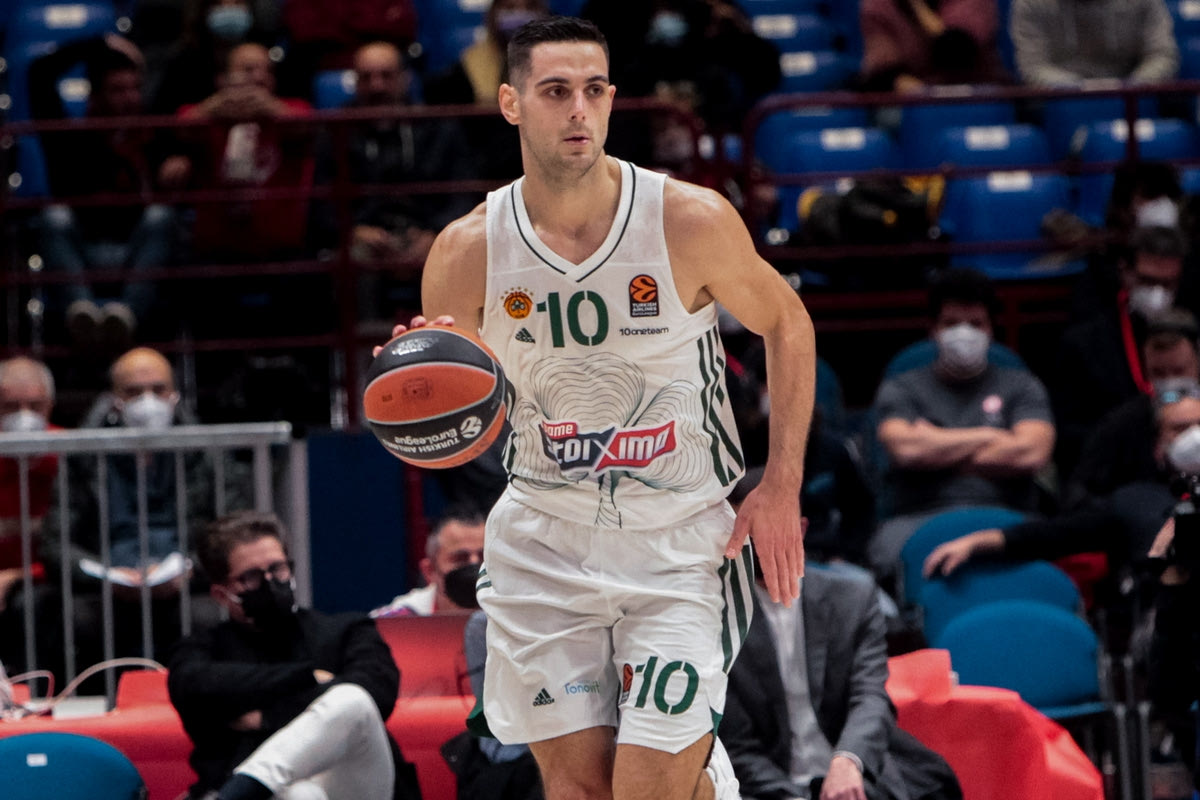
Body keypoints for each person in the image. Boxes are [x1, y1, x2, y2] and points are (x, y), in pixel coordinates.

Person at [380, 16, 815, 800]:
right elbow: (456, 412)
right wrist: (423, 381)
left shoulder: (687, 219)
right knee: (580, 791)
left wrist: (780, 484)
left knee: (647, 791)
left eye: (593, 90)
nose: (578, 109)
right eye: (555, 91)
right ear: (511, 103)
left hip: (678, 540)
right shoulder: (467, 251)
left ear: (612, 100)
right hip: (545, 541)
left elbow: (787, 323)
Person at [168, 510, 418, 800]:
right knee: (301, 794)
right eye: (252, 577)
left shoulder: (347, 630)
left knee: (352, 698)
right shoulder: (203, 649)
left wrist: (266, 717)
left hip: (354, 785)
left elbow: (376, 693)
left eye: (278, 568)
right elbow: (194, 686)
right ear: (222, 595)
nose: (271, 582)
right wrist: (307, 677)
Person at [869, 267, 1055, 581]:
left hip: (1009, 517)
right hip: (916, 519)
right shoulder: (902, 387)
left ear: (991, 330)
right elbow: (907, 451)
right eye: (952, 324)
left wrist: (936, 445)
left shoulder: (1023, 386)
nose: (964, 333)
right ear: (933, 329)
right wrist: (992, 436)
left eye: (976, 324)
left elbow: (1032, 453)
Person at [723, 562, 962, 800]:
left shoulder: (852, 597)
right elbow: (736, 744)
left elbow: (871, 698)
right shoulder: (718, 615)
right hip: (764, 785)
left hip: (853, 769)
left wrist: (848, 758)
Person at [310, 41, 479, 318]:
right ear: (355, 83)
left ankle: (448, 340)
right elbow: (321, 202)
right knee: (353, 261)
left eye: (386, 76)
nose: (377, 86)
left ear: (405, 78)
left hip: (429, 234)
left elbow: (462, 192)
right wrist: (353, 230)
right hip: (366, 239)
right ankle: (364, 345)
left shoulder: (439, 126)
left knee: (453, 257)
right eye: (367, 78)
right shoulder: (335, 132)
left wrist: (438, 233)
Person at [29, 34, 177, 346]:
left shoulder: (153, 136)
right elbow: (39, 73)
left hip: (136, 251)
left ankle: (125, 316)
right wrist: (99, 42)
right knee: (53, 217)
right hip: (82, 251)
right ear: (95, 95)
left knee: (162, 216)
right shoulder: (67, 140)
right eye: (118, 90)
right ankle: (80, 313)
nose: (130, 98)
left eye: (135, 88)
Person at [162, 42, 315, 263]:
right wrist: (218, 104)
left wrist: (270, 108)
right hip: (216, 248)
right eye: (248, 70)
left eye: (268, 71)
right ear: (223, 78)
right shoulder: (206, 118)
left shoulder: (293, 109)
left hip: (278, 249)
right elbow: (180, 128)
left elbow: (306, 126)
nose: (260, 78)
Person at [1053, 225, 1188, 474]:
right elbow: (1067, 434)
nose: (1158, 293)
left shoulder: (1193, 336)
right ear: (1126, 272)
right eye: (1148, 281)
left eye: (1168, 284)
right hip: (1115, 472)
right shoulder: (1084, 344)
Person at [0, 357, 66, 682]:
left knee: (31, 604)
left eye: (34, 405)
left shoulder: (72, 452)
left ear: (50, 405)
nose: (24, 415)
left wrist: (18, 575)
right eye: (11, 407)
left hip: (49, 577)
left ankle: (32, 696)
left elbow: (80, 540)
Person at [1010, 0, 1178, 87]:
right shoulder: (1030, 3)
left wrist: (1134, 85)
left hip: (1131, 94)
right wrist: (1079, 89)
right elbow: (1033, 66)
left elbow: (1162, 55)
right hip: (1061, 100)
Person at [859, 0, 1008, 93]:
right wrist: (925, 93)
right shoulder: (878, 5)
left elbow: (957, 51)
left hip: (975, 91)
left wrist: (917, 7)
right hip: (912, 99)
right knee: (890, 118)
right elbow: (884, 74)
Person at [371, 505, 486, 617]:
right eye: (460, 558)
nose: (475, 566)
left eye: (485, 557)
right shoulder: (395, 622)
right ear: (429, 571)